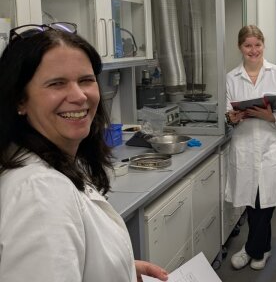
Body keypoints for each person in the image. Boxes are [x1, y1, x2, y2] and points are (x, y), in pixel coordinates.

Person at [0, 23, 168, 282]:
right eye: (57, 83)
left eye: (86, 80)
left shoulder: (52, 162)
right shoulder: (41, 191)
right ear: (20, 100)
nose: (79, 96)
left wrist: (120, 268)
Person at [225, 25, 276, 271]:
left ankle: (252, 249)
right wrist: (232, 117)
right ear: (240, 47)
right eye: (248, 45)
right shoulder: (231, 78)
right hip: (245, 147)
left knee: (265, 203)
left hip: (272, 147)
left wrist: (271, 116)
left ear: (263, 45)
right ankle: (261, 249)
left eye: (257, 45)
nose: (253, 50)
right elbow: (227, 112)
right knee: (252, 201)